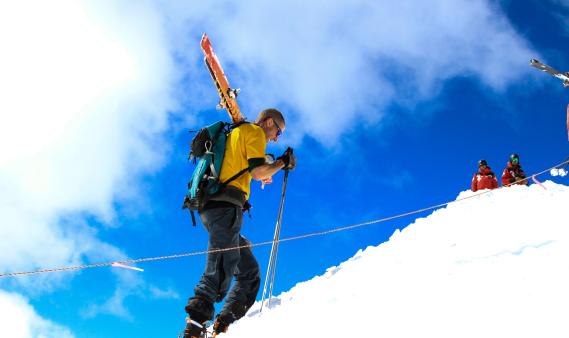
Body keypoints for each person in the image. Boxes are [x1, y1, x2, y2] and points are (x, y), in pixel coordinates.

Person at [184, 108, 296, 338]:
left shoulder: (237, 133)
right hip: (224, 206)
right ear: (268, 121)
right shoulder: (254, 132)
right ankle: (193, 330)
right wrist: (282, 163)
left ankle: (222, 322)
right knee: (221, 263)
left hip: (213, 206)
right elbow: (257, 172)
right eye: (278, 131)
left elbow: (245, 168)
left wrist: (268, 169)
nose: (276, 137)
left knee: (248, 270)